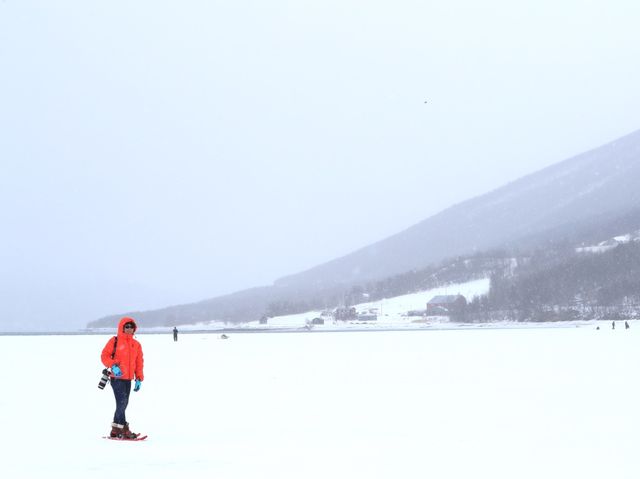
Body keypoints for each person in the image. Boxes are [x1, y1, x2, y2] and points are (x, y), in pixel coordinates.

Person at [101, 317, 144, 439]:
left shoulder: (136, 345)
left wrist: (139, 378)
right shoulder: (114, 341)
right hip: (117, 378)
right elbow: (104, 356)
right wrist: (112, 365)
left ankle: (115, 429)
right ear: (122, 328)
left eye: (131, 327)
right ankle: (123, 428)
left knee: (123, 404)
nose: (129, 329)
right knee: (122, 402)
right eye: (127, 327)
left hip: (128, 379)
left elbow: (139, 362)